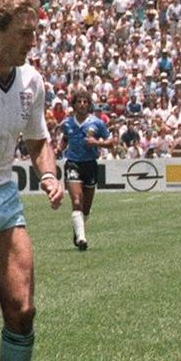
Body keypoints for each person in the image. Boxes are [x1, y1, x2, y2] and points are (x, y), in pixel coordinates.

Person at [0, 0, 64, 361]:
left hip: (3, 195)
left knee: (21, 310)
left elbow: (38, 140)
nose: (31, 41)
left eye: (35, 32)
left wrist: (49, 175)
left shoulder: (31, 81)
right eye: (23, 32)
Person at [60, 89, 115, 250]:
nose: (82, 104)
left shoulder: (97, 122)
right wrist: (59, 147)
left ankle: (77, 230)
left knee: (86, 208)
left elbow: (111, 142)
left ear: (89, 104)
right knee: (77, 201)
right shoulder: (67, 123)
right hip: (73, 163)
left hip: (90, 164)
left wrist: (97, 143)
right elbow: (65, 138)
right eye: (79, 101)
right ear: (74, 104)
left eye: (85, 101)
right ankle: (82, 239)